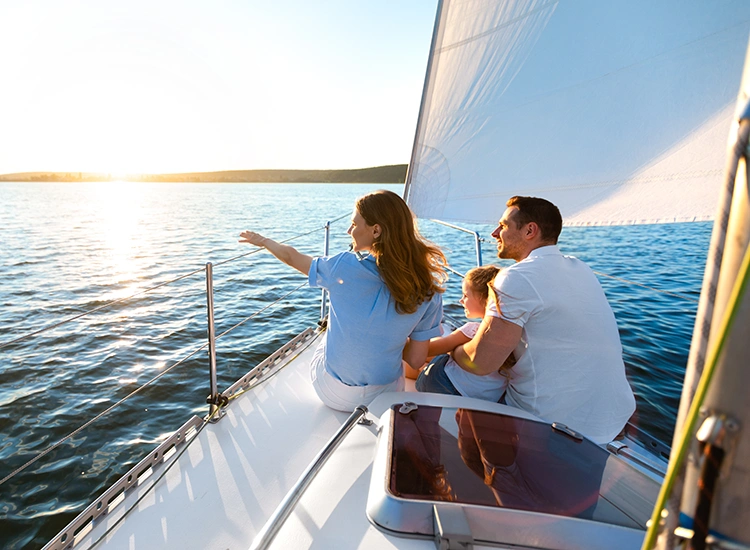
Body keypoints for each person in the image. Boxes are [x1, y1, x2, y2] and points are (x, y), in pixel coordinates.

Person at [239, 189, 446, 412]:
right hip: (385, 396)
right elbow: (416, 361)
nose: (349, 231)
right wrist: (389, 339)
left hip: (333, 393)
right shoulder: (428, 290)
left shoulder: (342, 266)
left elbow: (292, 257)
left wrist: (263, 241)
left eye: (354, 224)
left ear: (376, 230)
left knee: (326, 333)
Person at [450, 196, 635, 444]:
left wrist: (453, 350)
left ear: (530, 230)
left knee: (436, 376)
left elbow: (481, 362)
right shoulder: (581, 268)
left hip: (551, 423)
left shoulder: (515, 278)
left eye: (503, 226)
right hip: (612, 419)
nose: (494, 233)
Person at [416, 265, 510, 402]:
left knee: (433, 356)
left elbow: (427, 350)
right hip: (486, 398)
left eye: (465, 295)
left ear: (484, 300)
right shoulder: (512, 335)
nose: (461, 300)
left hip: (441, 385)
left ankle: (419, 370)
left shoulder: (472, 331)